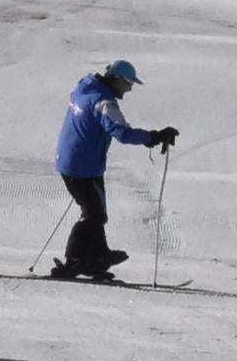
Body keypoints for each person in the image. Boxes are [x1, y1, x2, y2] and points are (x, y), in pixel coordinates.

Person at [49, 58, 176, 280]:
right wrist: (154, 136)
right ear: (117, 79)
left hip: (74, 160)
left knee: (96, 212)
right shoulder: (103, 102)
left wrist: (148, 139)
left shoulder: (85, 87)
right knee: (93, 215)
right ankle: (75, 260)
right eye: (128, 83)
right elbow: (122, 134)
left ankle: (97, 258)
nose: (130, 88)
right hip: (82, 165)